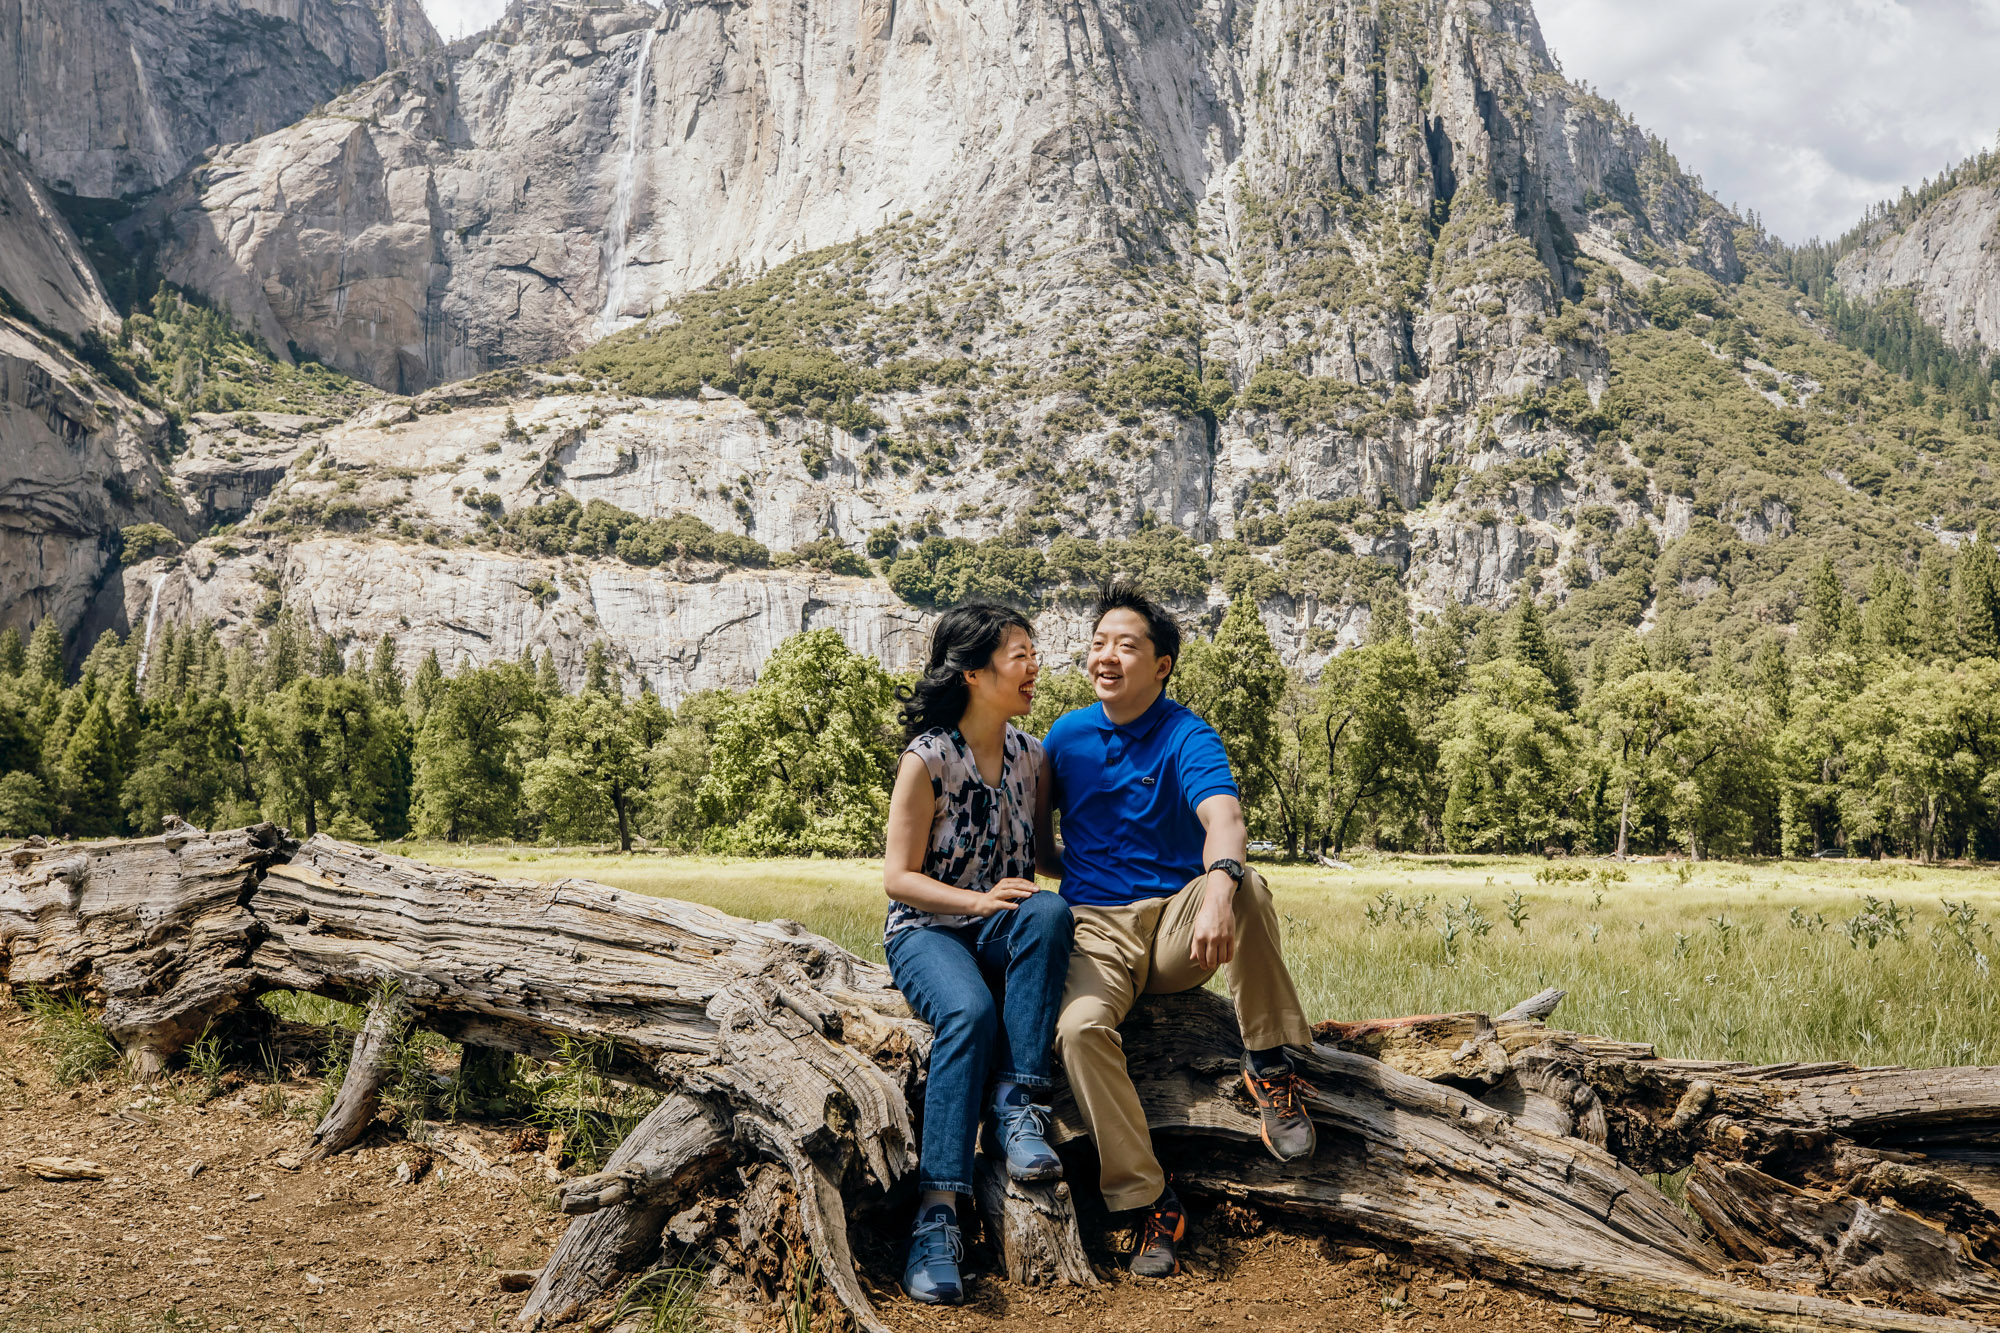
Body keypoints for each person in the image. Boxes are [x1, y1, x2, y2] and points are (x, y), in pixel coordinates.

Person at [1044, 582, 1317, 1278]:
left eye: (1125, 645)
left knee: (1248, 882)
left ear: (1161, 664)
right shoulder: (1065, 736)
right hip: (1095, 930)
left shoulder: (1187, 734)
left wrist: (1220, 883)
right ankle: (1148, 1198)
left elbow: (1224, 818)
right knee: (1078, 1030)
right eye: (1099, 642)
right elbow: (1037, 837)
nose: (1107, 656)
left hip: (1174, 924)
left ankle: (1271, 1066)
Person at [882, 602, 1074, 1306]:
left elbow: (1047, 859)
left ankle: (1018, 1104)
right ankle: (938, 1215)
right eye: (1019, 653)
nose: (1034, 666)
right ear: (973, 671)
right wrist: (975, 900)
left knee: (1049, 910)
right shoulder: (926, 758)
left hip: (999, 925)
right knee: (966, 1010)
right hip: (927, 929)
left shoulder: (1032, 755)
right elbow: (898, 877)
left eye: (1033, 650)